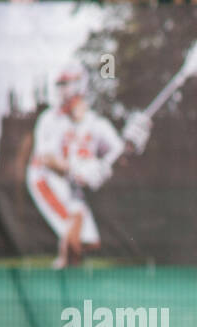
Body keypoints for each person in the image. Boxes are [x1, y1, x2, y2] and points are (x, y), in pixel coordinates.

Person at [26, 62, 151, 268]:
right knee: (75, 227)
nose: (61, 90)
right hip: (46, 180)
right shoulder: (50, 119)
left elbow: (120, 156)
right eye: (59, 84)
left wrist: (134, 143)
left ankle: (66, 274)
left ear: (79, 85)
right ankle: (63, 274)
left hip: (72, 187)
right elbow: (46, 159)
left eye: (65, 84)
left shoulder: (96, 124)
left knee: (84, 240)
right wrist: (77, 169)